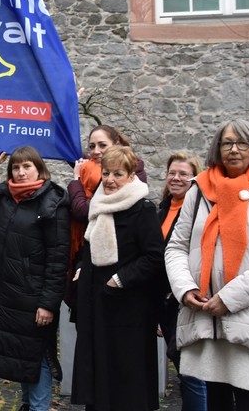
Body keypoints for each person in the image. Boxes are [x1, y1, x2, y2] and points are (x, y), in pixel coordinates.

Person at [165, 120, 249, 410]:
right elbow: (176, 247)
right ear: (218, 148)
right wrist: (185, 289)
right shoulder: (198, 191)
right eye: (227, 143)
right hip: (203, 314)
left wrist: (228, 299)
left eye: (242, 143)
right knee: (215, 400)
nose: (234, 149)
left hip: (247, 316)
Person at [0, 147, 70, 411]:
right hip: (8, 296)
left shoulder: (52, 202)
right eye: (16, 167)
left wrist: (47, 304)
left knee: (38, 356)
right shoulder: (7, 197)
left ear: (39, 169)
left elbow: (58, 260)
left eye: (27, 167)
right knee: (20, 354)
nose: (21, 172)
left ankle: (38, 408)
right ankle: (26, 405)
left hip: (34, 299)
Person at [71, 145, 163, 411]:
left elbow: (154, 256)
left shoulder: (142, 209)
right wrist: (82, 266)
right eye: (106, 173)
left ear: (131, 176)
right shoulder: (99, 205)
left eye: (118, 174)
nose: (110, 180)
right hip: (96, 306)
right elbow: (89, 246)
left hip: (127, 310)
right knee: (97, 376)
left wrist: (120, 279)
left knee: (125, 379)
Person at [65, 125, 147, 318]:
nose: (96, 151)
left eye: (102, 145)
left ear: (116, 144)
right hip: (88, 256)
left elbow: (83, 211)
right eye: (92, 146)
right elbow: (71, 151)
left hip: (117, 268)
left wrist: (75, 181)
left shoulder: (133, 170)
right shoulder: (90, 168)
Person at [157, 152, 207, 411]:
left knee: (192, 372)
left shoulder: (200, 211)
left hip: (187, 299)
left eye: (183, 174)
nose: (176, 178)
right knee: (183, 368)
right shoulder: (164, 208)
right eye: (172, 173)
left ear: (195, 178)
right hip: (166, 303)